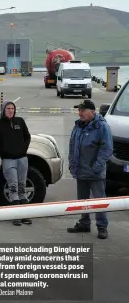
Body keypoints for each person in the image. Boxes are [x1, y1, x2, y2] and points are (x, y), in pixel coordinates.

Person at [67, 99, 113, 239]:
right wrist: (72, 163)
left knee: (99, 200)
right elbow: (72, 145)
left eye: (82, 110)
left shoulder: (102, 127)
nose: (79, 113)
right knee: (83, 200)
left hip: (95, 173)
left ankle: (102, 227)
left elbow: (107, 149)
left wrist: (96, 167)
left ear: (92, 112)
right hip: (80, 171)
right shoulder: (78, 126)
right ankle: (84, 223)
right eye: (79, 110)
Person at [0, 100, 32, 226]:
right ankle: (16, 216)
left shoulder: (20, 121)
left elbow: (27, 136)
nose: (10, 110)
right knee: (13, 186)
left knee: (22, 186)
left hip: (22, 159)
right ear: (3, 110)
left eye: (12, 108)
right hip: (8, 160)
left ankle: (25, 216)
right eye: (8, 108)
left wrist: (23, 148)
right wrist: (4, 151)